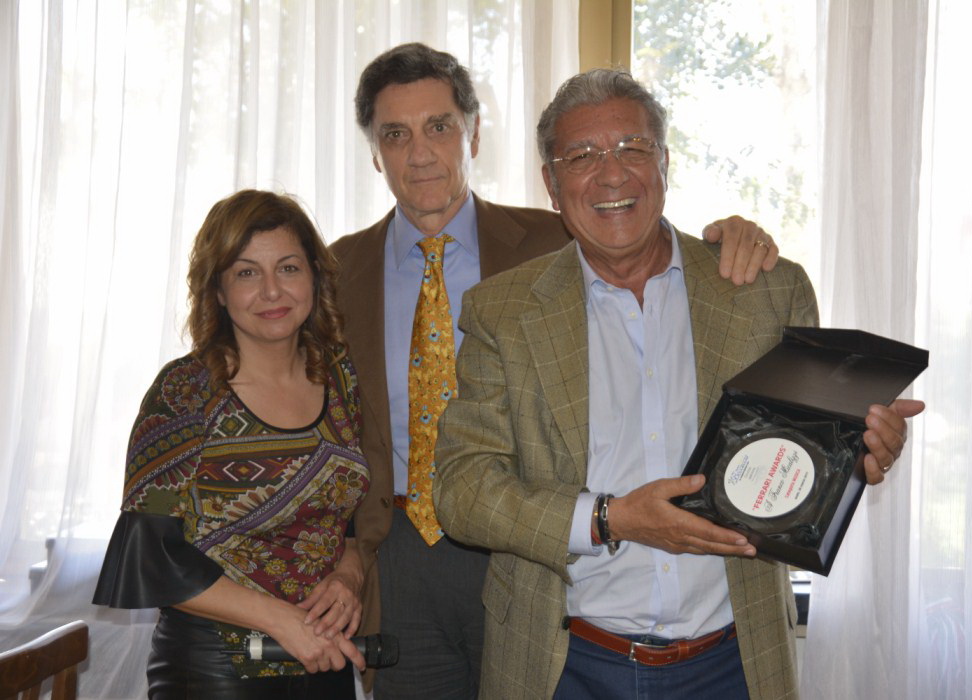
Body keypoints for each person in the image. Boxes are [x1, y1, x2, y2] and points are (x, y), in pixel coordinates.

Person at [432, 69, 926, 699]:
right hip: (566, 665)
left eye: (633, 148)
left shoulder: (763, 290)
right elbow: (463, 488)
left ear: (665, 163)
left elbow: (808, 458)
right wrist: (611, 519)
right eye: (581, 156)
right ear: (552, 187)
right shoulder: (502, 312)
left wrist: (861, 453)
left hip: (734, 663)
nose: (612, 174)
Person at [329, 43, 782, 699]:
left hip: (540, 555)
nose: (420, 153)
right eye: (396, 134)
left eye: (439, 127)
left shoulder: (558, 238)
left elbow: (646, 236)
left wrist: (738, 235)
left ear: (473, 134)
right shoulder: (336, 272)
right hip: (401, 546)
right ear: (375, 151)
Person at [93, 190, 369, 699]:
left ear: (314, 277)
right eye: (246, 273)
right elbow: (150, 553)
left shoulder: (340, 377)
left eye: (288, 268)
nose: (271, 291)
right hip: (215, 670)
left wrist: (349, 576)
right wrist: (281, 620)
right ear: (217, 291)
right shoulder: (185, 391)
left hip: (323, 657)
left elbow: (343, 516)